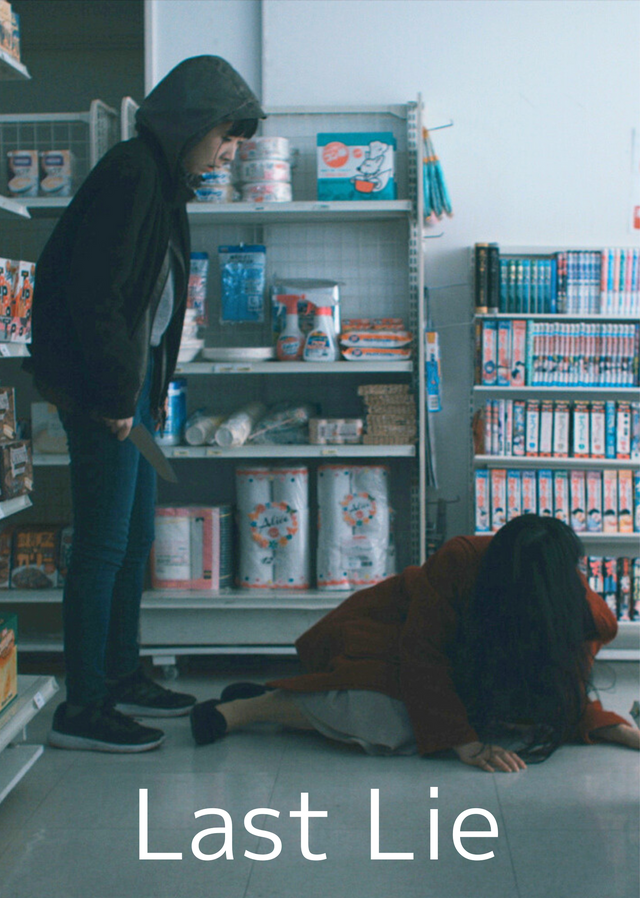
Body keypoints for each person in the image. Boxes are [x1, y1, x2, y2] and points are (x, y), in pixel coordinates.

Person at [25, 56, 265, 753]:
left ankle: (122, 676)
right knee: (102, 547)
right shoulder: (133, 175)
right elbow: (95, 297)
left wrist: (141, 396)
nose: (230, 151)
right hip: (106, 395)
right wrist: (113, 396)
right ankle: (82, 706)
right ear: (192, 123)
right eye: (225, 135)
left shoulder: (163, 183)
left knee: (131, 540)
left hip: (133, 394)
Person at [190, 515, 640, 770]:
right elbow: (422, 656)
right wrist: (465, 744)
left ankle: (289, 698)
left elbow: (566, 685)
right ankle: (251, 709)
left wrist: (617, 730)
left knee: (513, 723)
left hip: (460, 667)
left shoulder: (583, 612)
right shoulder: (461, 560)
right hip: (387, 635)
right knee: (390, 719)